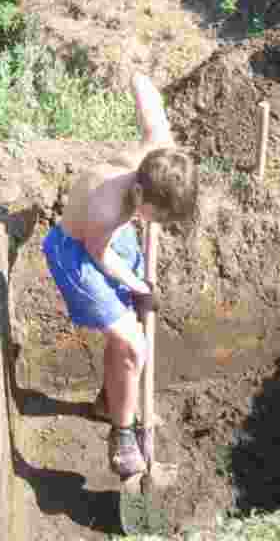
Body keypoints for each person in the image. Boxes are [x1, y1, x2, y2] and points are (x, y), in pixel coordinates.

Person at [42, 71, 199, 479]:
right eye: (156, 217)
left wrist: (136, 73)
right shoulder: (106, 210)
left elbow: (150, 107)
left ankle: (110, 400)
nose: (157, 224)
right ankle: (123, 433)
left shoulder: (158, 154)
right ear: (140, 197)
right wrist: (139, 287)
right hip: (78, 251)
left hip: (114, 241)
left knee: (130, 342)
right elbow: (101, 255)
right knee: (132, 342)